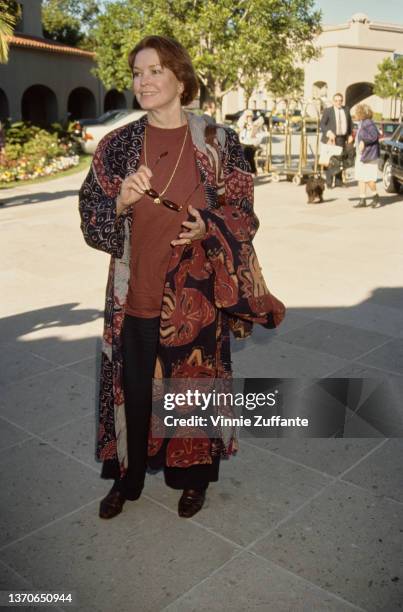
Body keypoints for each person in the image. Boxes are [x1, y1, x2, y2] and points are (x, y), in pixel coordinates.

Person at [79, 35, 285, 521]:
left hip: (197, 297)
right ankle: (126, 480)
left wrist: (208, 225)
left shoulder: (217, 142)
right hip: (134, 293)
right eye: (136, 73)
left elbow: (243, 212)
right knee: (130, 391)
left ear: (179, 78)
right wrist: (120, 204)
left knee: (192, 392)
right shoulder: (118, 145)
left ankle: (193, 482)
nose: (143, 81)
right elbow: (91, 218)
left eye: (154, 71)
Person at [320, 93, 353, 188]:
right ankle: (329, 182)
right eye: (336, 100)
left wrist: (350, 135)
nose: (338, 102)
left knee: (340, 160)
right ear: (333, 101)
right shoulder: (328, 111)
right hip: (330, 139)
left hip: (342, 139)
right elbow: (322, 124)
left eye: (340, 100)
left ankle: (339, 182)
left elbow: (350, 123)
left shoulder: (346, 110)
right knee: (330, 160)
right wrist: (328, 132)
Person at [352, 103, 380, 208]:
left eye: (357, 112)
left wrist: (364, 141)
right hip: (362, 154)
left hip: (368, 155)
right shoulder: (363, 122)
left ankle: (375, 196)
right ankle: (362, 199)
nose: (356, 114)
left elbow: (374, 136)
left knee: (369, 178)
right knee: (361, 177)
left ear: (361, 112)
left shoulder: (368, 123)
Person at [237, 110, 265, 175]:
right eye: (247, 116)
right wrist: (245, 116)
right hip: (243, 143)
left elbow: (261, 120)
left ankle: (253, 170)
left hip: (252, 144)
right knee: (243, 156)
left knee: (249, 157)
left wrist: (253, 129)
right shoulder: (243, 124)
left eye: (250, 116)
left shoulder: (255, 124)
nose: (249, 118)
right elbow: (240, 123)